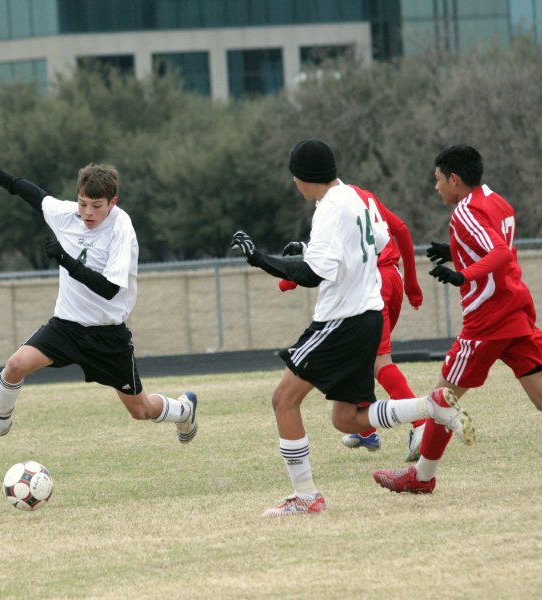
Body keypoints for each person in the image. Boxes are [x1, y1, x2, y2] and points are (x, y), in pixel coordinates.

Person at [230, 138, 473, 518]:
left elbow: (314, 275)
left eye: (295, 177)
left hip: (341, 320)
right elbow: (375, 243)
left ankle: (306, 497)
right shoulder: (355, 197)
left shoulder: (327, 209)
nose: (294, 183)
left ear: (305, 177)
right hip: (369, 316)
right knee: (346, 418)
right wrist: (308, 249)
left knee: (283, 400)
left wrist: (261, 259)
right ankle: (432, 406)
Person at [0, 153, 198, 446]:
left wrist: (66, 261)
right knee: (16, 364)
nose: (88, 212)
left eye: (97, 206)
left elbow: (109, 289)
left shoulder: (121, 228)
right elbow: (35, 195)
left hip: (107, 335)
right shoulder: (68, 215)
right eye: (83, 203)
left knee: (140, 410)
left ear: (112, 203)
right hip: (66, 326)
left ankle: (183, 410)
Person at [373, 144, 542, 494]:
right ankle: (421, 476)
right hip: (516, 314)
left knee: (441, 398)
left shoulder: (464, 212)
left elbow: (498, 252)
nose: (436, 188)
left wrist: (464, 276)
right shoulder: (497, 201)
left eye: (438, 180)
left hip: (487, 323)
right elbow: (499, 246)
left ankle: (420, 478)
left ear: (454, 178)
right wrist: (456, 251)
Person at [278, 185, 427, 461]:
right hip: (391, 277)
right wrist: (412, 284)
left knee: (379, 361)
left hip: (371, 282)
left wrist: (288, 280)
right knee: (362, 355)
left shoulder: (335, 204)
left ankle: (422, 424)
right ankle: (365, 429)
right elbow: (402, 230)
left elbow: (327, 261)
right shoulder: (365, 196)